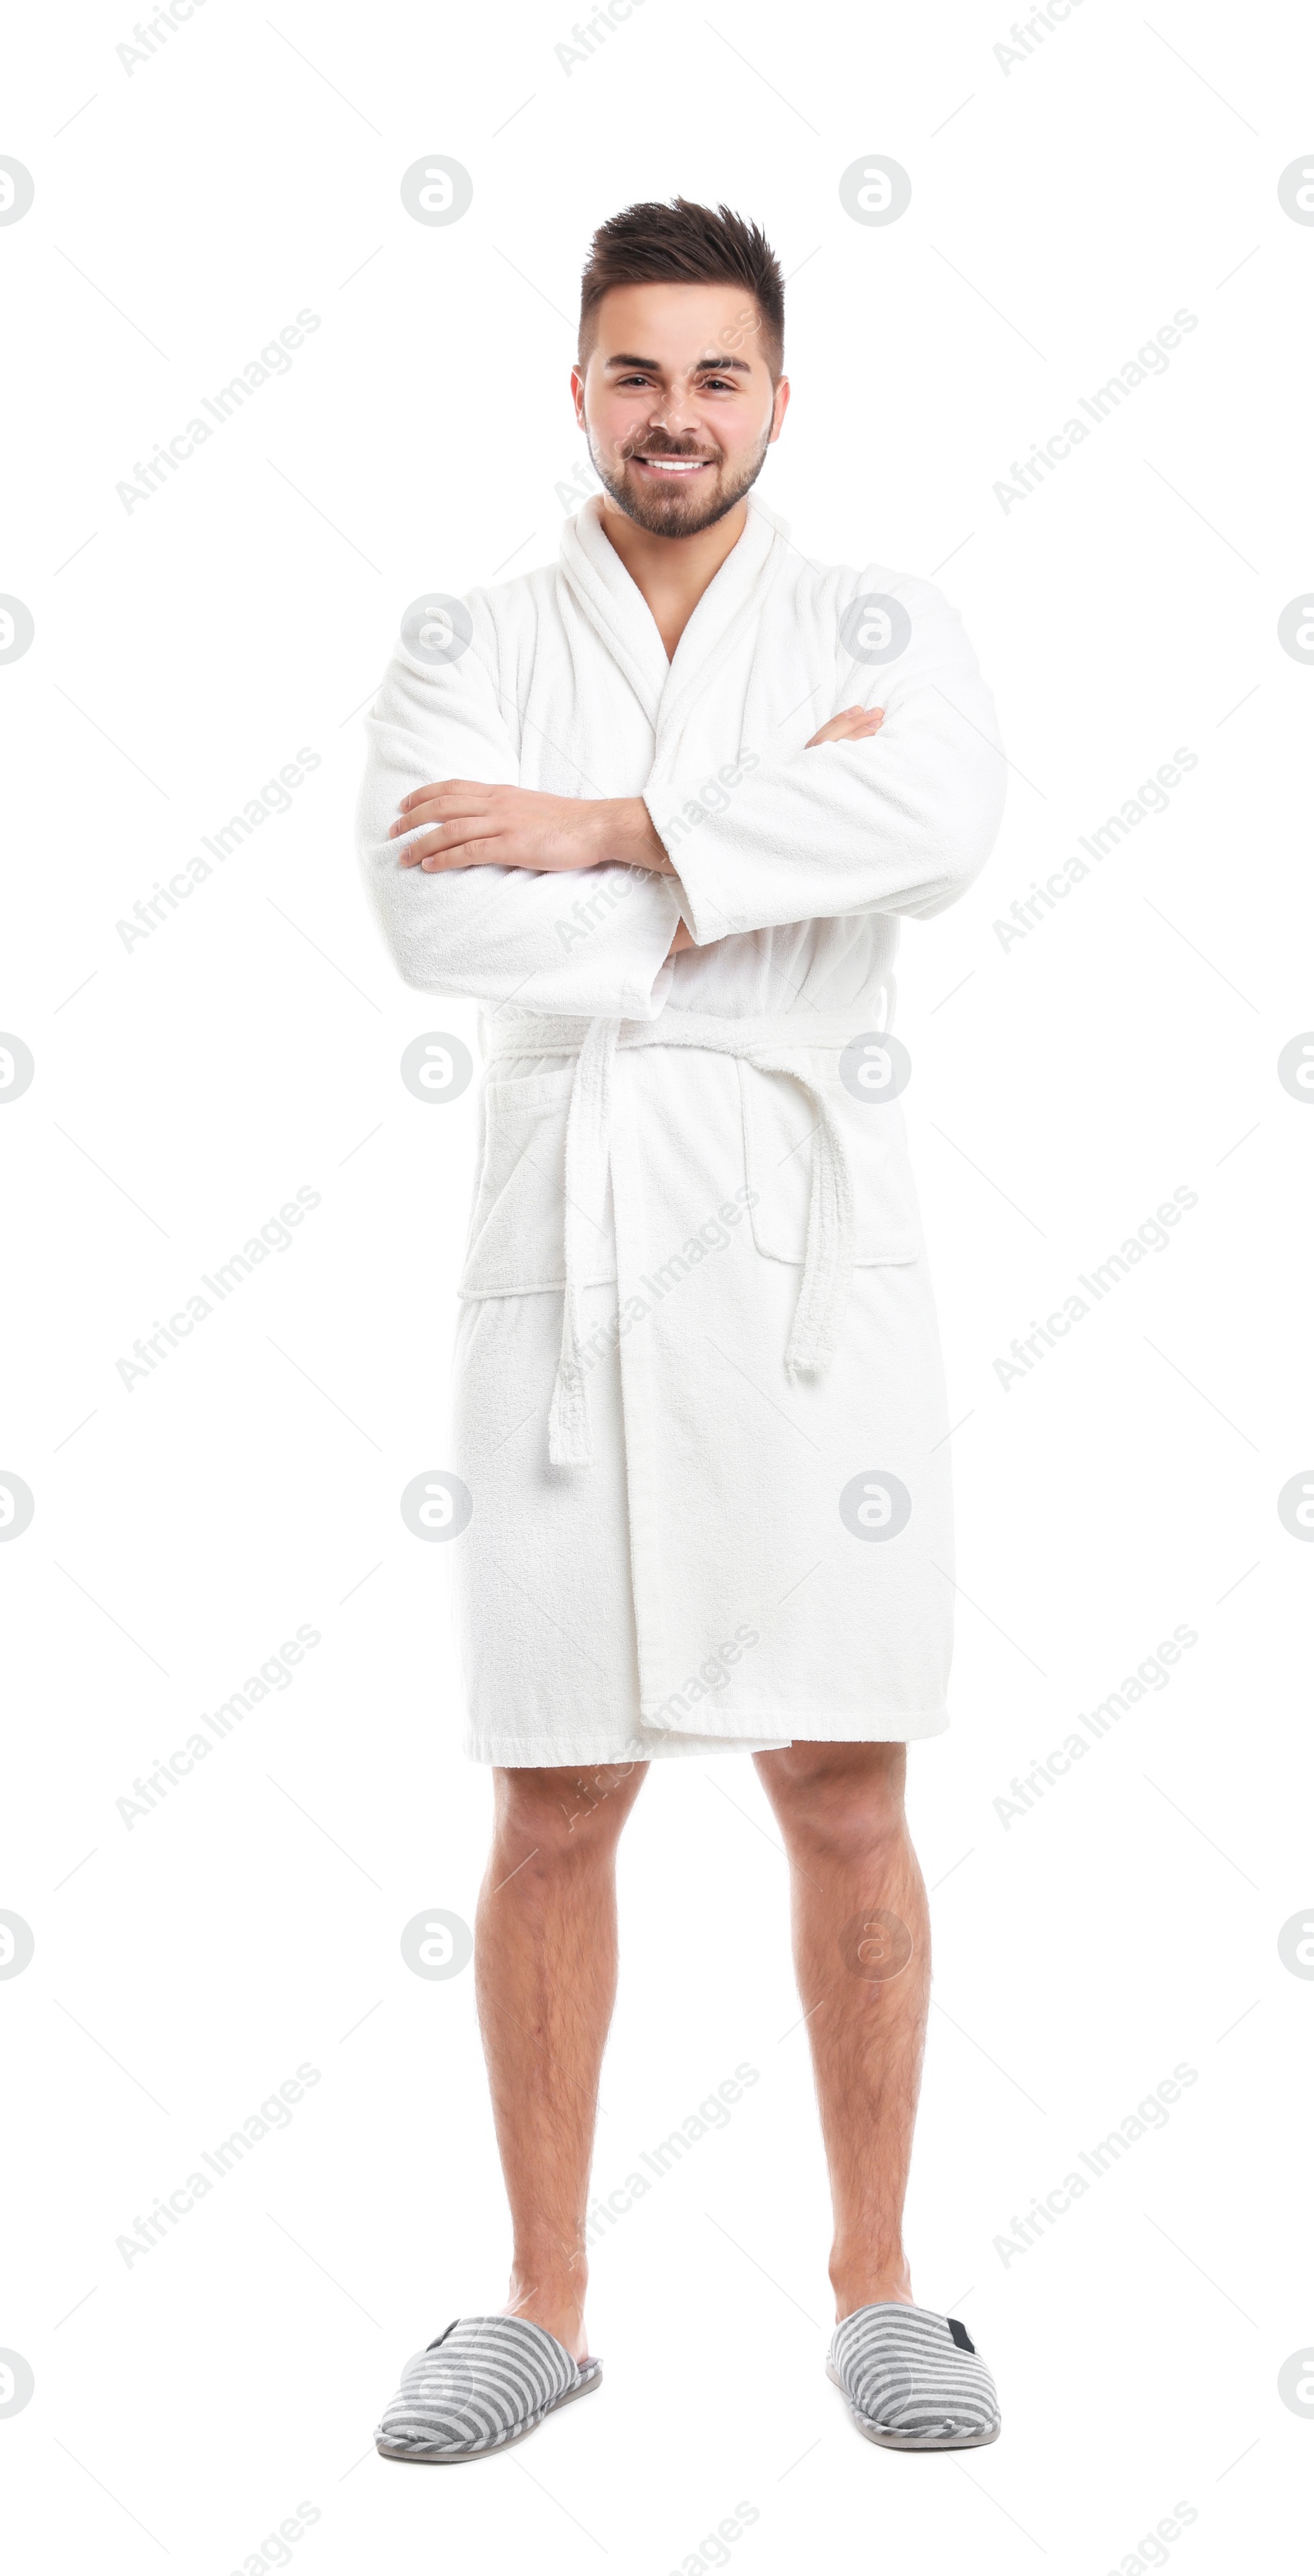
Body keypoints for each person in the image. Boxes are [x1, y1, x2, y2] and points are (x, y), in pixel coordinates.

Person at [356, 196, 1007, 2461]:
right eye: (636, 372)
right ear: (580, 391)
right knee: (554, 1792)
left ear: (777, 397)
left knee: (848, 1779)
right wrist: (752, 871)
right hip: (574, 1262)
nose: (676, 413)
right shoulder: (471, 638)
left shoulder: (878, 619)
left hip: (817, 1284)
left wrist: (611, 826)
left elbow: (936, 815)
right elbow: (432, 911)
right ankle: (540, 2298)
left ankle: (881, 2282)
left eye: (717, 374)